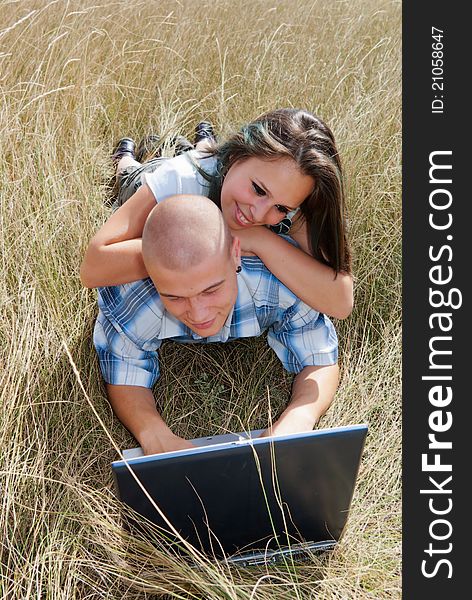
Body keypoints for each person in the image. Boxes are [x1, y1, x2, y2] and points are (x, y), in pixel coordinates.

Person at [94, 195, 339, 455]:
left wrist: (299, 418)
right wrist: (153, 434)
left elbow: (320, 356)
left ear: (235, 254)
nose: (198, 314)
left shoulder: (280, 282)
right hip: (153, 194)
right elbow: (124, 369)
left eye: (211, 290)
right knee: (131, 179)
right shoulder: (136, 298)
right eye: (174, 297)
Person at [80, 109, 353, 320]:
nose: (258, 213)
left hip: (214, 169)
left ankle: (204, 142)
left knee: (203, 156)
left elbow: (340, 301)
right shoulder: (179, 177)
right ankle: (125, 156)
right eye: (258, 190)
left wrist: (259, 240)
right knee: (134, 174)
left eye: (281, 208)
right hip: (153, 178)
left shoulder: (292, 203)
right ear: (236, 156)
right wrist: (204, 244)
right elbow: (93, 268)